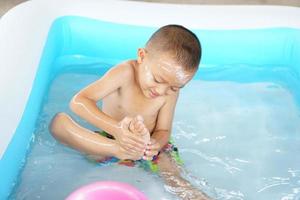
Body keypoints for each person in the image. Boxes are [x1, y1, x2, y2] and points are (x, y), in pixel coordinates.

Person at [50, 24, 210, 200]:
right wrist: (118, 130)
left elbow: (164, 130)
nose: (162, 91)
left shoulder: (169, 92)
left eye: (174, 87)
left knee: (176, 178)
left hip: (148, 148)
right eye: (157, 79)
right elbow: (79, 101)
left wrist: (153, 145)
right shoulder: (125, 73)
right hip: (111, 141)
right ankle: (118, 150)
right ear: (141, 56)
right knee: (59, 123)